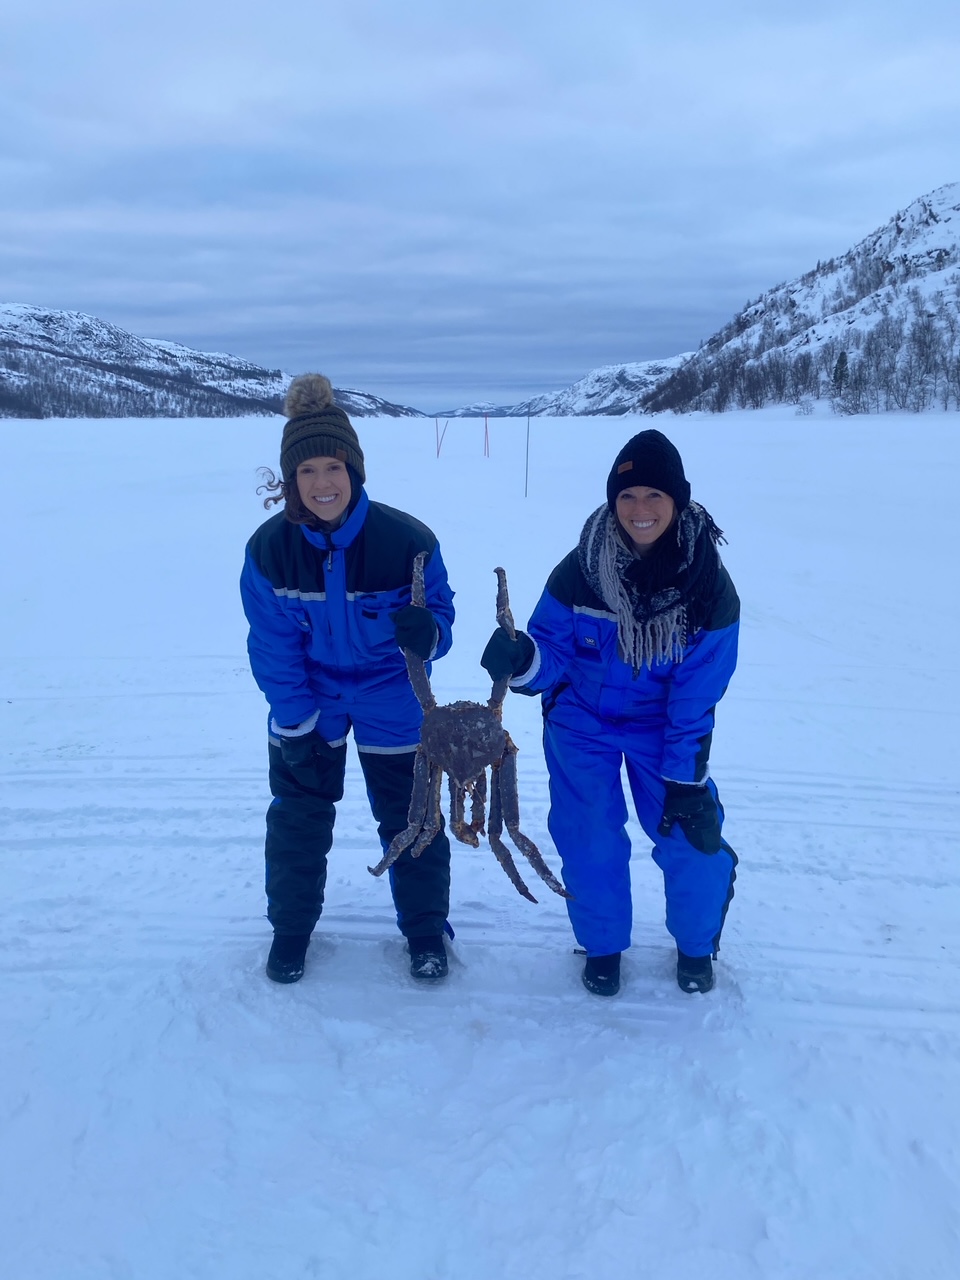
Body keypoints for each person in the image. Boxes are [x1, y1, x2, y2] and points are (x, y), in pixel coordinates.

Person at [481, 429, 739, 997]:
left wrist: (685, 780)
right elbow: (552, 656)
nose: (639, 510)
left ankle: (696, 947)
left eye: (654, 496)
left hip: (663, 727)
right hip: (582, 723)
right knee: (588, 838)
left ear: (678, 500)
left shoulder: (707, 586)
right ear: (610, 501)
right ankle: (602, 945)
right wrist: (523, 659)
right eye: (626, 497)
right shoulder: (580, 569)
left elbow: (697, 697)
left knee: (689, 835)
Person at [240, 374, 456, 985]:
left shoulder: (406, 539)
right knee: (298, 819)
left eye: (332, 467)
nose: (321, 484)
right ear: (291, 481)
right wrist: (297, 722)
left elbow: (440, 614)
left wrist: (429, 634)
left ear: (354, 471)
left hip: (393, 696)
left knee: (413, 818)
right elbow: (273, 647)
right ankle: (290, 932)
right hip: (312, 701)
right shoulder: (269, 551)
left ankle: (424, 932)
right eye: (306, 472)